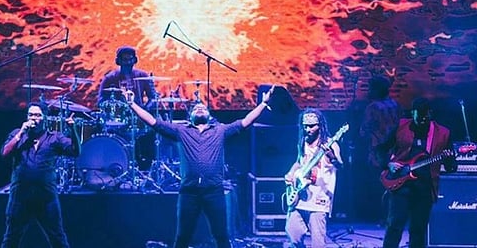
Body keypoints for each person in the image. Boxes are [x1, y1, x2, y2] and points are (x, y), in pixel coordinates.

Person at [127, 85, 277, 248]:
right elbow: (153, 122)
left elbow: (246, 121)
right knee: (182, 237)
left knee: (221, 236)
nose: (199, 109)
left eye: (203, 108)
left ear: (209, 116)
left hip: (214, 191)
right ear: (190, 116)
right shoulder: (181, 130)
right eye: (196, 108)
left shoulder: (220, 130)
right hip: (189, 192)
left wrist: (263, 104)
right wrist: (132, 104)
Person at [376, 98, 456, 248]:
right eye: (418, 118)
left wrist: (449, 158)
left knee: (418, 230)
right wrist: (388, 164)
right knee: (394, 226)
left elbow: (451, 167)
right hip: (401, 186)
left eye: (425, 118)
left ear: (430, 114)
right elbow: (380, 149)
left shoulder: (443, 133)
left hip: (425, 188)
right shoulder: (401, 126)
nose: (421, 122)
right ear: (412, 113)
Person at [0, 102, 81, 248]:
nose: (33, 118)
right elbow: (5, 153)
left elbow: (75, 151)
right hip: (20, 196)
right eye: (31, 115)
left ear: (45, 118)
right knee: (11, 237)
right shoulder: (18, 134)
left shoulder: (54, 137)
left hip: (46, 197)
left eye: (37, 115)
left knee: (58, 237)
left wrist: (72, 129)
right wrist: (21, 133)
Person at [284, 108, 344, 248]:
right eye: (305, 126)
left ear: (320, 125)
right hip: (300, 197)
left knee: (318, 243)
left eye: (311, 126)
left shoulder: (331, 144)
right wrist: (290, 173)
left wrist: (331, 157)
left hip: (319, 199)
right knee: (293, 234)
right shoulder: (303, 142)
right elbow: (299, 162)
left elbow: (341, 166)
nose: (308, 129)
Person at [357, 74, 401, 222]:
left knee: (378, 185)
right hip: (395, 152)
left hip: (378, 153)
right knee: (394, 185)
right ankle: (392, 216)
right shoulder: (395, 105)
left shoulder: (373, 108)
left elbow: (364, 131)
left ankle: (380, 217)